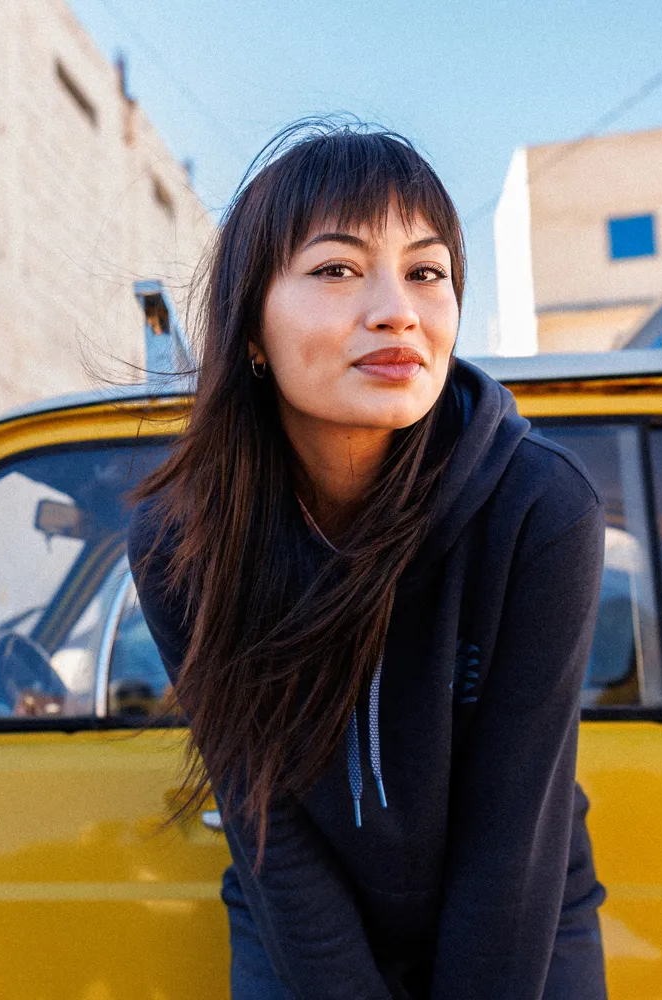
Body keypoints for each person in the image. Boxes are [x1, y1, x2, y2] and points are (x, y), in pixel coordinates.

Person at [127, 121, 609, 999]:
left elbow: (512, 840)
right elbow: (263, 818)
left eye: (426, 272)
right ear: (251, 331)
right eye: (337, 269)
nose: (398, 310)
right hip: (298, 926)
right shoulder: (179, 540)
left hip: (521, 919)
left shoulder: (541, 509)